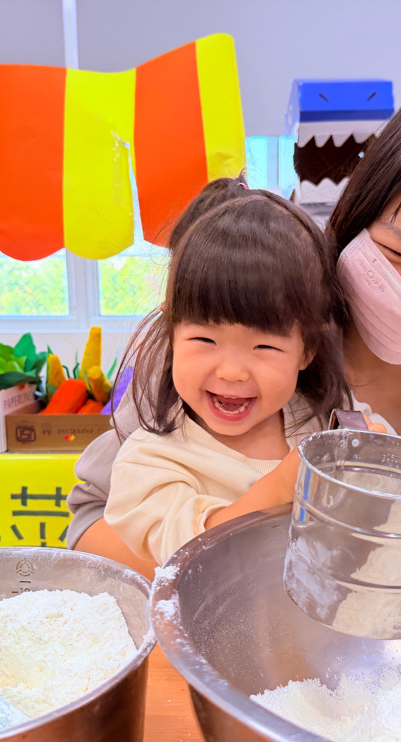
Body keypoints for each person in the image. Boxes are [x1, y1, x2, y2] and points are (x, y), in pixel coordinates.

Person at [69, 70, 401, 572]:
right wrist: (242, 542)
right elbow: (91, 527)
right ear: (358, 211)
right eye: (396, 254)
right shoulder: (217, 355)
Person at [100, 179, 354, 568]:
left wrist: (377, 459)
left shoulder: (323, 422)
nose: (232, 372)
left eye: (264, 347)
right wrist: (282, 487)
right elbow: (192, 559)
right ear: (172, 335)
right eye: (205, 340)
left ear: (307, 350)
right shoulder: (150, 464)